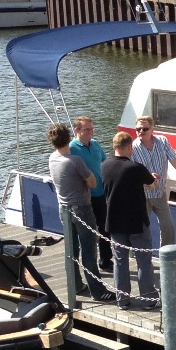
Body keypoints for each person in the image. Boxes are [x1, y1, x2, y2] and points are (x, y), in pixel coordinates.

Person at [47, 122, 114, 301]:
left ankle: (76, 285)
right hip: (82, 209)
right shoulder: (75, 160)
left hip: (64, 208)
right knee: (89, 252)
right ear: (69, 138)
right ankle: (98, 291)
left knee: (72, 250)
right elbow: (92, 182)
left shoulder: (52, 158)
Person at [102, 132, 159, 310]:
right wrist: (153, 179)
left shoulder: (105, 165)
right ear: (129, 147)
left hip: (115, 222)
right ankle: (148, 300)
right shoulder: (136, 167)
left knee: (120, 262)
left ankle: (123, 300)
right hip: (136, 222)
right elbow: (152, 184)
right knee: (143, 261)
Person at [131, 115, 176, 243]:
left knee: (168, 227)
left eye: (145, 129)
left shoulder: (162, 141)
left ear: (152, 129)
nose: (141, 132)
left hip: (160, 193)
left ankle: (167, 257)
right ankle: (142, 257)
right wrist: (146, 178)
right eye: (138, 129)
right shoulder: (133, 147)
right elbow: (131, 173)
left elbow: (173, 159)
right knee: (141, 229)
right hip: (143, 195)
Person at [70, 116, 112, 273]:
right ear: (77, 130)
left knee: (105, 227)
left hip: (101, 193)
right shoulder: (72, 148)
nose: (90, 132)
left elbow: (103, 160)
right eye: (87, 129)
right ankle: (89, 265)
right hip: (85, 197)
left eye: (92, 129)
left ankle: (105, 260)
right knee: (88, 232)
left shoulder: (95, 144)